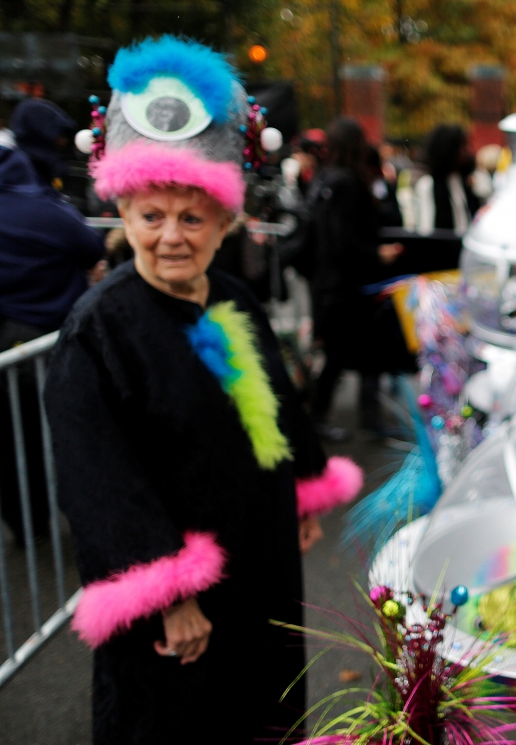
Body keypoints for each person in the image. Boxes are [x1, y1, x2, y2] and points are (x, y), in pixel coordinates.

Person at [44, 36, 363, 744]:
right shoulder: (99, 332)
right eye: (150, 216)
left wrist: (302, 484)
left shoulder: (232, 298)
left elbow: (273, 403)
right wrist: (169, 593)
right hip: (181, 614)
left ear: (225, 222)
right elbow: (100, 481)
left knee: (263, 714)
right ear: (122, 218)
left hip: (258, 572)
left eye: (191, 218)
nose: (170, 237)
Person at [0, 111, 105, 543]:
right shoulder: (48, 210)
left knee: (13, 442)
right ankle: (82, 517)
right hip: (53, 340)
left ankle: (27, 525)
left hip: (13, 347)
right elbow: (90, 249)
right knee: (70, 434)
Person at [309, 118, 403, 438]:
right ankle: (363, 419)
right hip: (351, 283)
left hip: (328, 283)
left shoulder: (324, 180)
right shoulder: (349, 183)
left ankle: (323, 418)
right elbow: (344, 239)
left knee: (338, 356)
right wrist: (377, 254)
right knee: (363, 354)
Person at [412, 124, 477, 234]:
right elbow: (427, 229)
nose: (466, 151)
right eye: (462, 146)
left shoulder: (466, 182)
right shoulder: (428, 185)